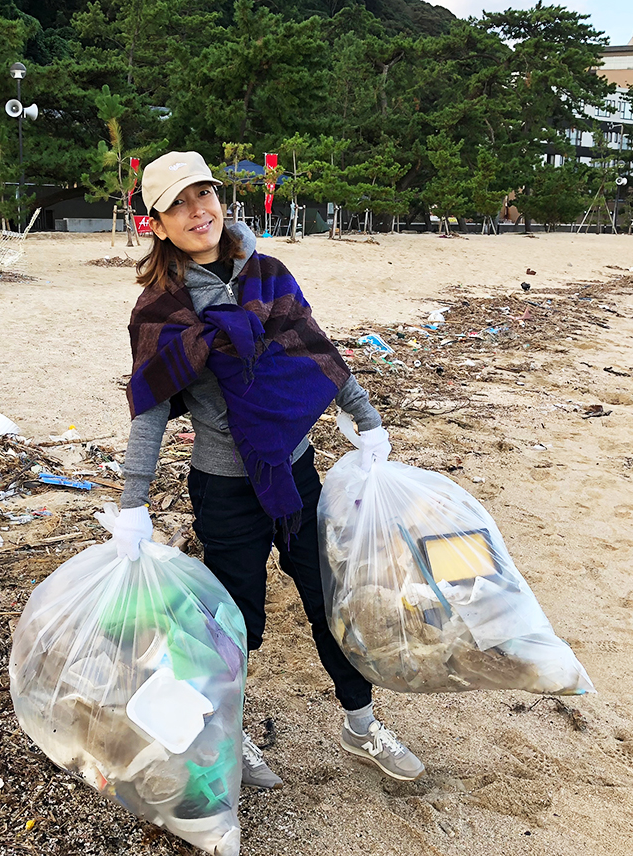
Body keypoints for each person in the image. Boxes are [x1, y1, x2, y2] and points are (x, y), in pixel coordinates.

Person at [111, 150, 425, 789]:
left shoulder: (269, 273)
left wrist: (365, 419)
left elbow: (316, 348)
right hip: (225, 488)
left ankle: (361, 726)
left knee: (328, 600)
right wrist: (132, 502)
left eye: (204, 194)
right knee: (234, 621)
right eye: (178, 203)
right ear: (157, 223)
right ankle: (225, 735)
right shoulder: (161, 308)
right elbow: (149, 407)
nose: (198, 210)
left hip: (296, 472)